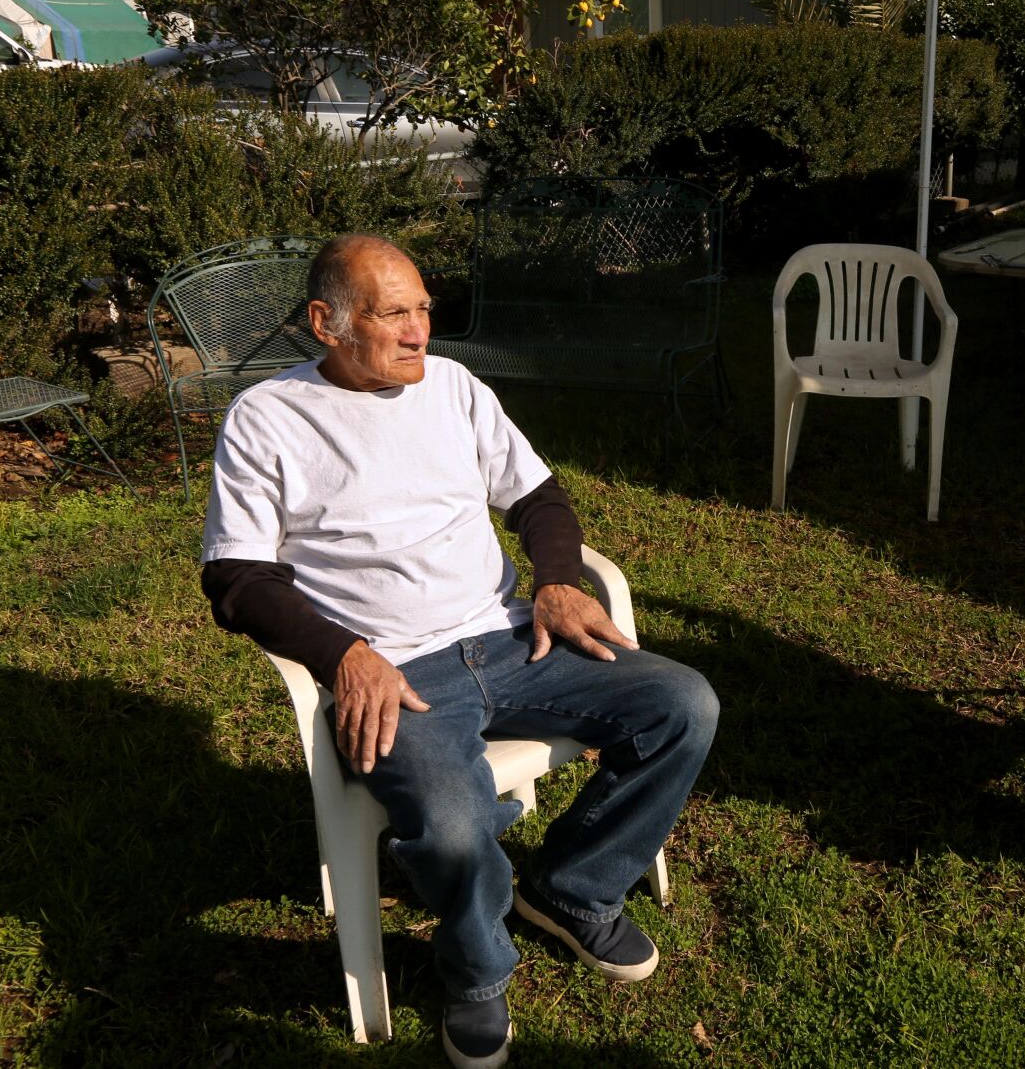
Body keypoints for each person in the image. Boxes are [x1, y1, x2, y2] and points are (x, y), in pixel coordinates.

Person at [200, 234, 718, 1069]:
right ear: (325, 322)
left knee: (683, 703)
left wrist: (554, 579)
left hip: (512, 633)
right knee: (451, 822)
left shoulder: (453, 387)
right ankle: (477, 972)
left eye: (425, 310)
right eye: (395, 313)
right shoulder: (268, 418)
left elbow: (538, 494)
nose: (419, 333)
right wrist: (345, 655)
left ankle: (572, 888)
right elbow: (236, 576)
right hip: (396, 672)